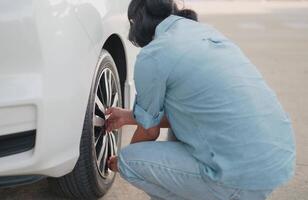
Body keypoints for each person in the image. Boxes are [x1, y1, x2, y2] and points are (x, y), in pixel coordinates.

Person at [105, 0, 296, 199]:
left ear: (137, 22)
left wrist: (124, 163)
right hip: (273, 164)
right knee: (179, 129)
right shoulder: (205, 33)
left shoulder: (153, 54)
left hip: (236, 178)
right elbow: (197, 112)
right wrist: (129, 116)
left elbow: (149, 131)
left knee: (130, 160)